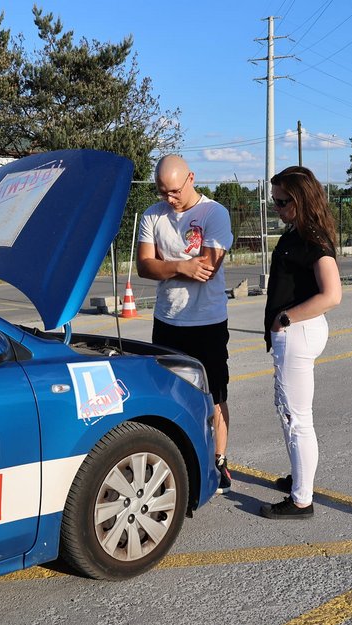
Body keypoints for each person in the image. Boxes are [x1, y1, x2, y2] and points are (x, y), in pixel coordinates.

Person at [136, 155, 234, 494]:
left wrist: (168, 263)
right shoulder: (152, 215)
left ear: (191, 178)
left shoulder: (214, 213)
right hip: (168, 320)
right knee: (167, 395)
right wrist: (181, 267)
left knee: (213, 395)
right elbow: (145, 267)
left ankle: (218, 461)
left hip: (207, 322)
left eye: (174, 191)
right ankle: (177, 460)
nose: (168, 199)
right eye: (161, 191)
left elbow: (207, 266)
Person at [260, 165, 342, 519]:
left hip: (299, 332)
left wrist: (286, 318)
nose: (275, 208)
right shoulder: (299, 231)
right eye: (274, 202)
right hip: (295, 333)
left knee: (297, 418)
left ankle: (301, 500)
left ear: (299, 200)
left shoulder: (313, 239)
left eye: (281, 202)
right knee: (289, 411)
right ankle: (301, 478)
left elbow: (333, 294)